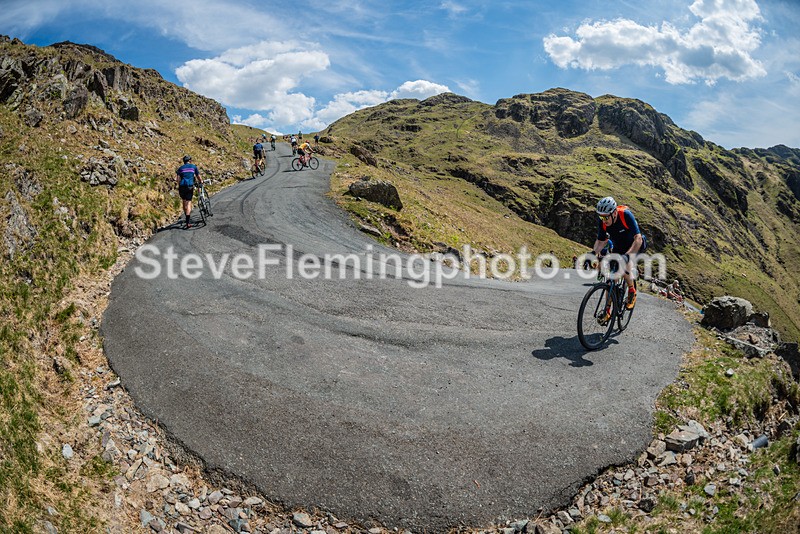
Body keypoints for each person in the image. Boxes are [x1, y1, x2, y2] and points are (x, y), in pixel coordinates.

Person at [592, 196, 646, 322]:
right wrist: (592, 254)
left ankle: (632, 291)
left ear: (614, 213)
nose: (603, 220)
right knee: (611, 279)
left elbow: (638, 238)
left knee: (625, 264)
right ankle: (607, 311)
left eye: (606, 217)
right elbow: (601, 241)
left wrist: (628, 256)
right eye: (600, 216)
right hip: (619, 247)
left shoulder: (625, 215)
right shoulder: (603, 221)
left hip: (635, 245)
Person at [176, 155, 202, 228]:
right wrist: (201, 181)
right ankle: (188, 222)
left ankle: (185, 214)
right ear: (190, 160)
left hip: (182, 187)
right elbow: (198, 176)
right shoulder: (193, 167)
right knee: (189, 203)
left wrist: (180, 184)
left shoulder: (180, 168)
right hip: (189, 186)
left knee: (184, 201)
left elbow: (177, 180)